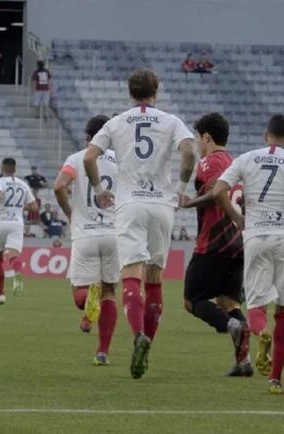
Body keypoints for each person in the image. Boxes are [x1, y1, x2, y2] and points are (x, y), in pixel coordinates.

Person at [83, 67, 196, 380]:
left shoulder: (116, 122)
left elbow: (89, 157)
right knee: (155, 279)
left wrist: (99, 190)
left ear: (130, 92)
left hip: (130, 203)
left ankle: (138, 336)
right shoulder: (171, 121)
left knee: (130, 275)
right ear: (156, 91)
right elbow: (189, 150)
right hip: (162, 205)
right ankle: (149, 342)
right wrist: (182, 189)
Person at [214, 114, 284, 394]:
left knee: (256, 306)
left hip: (256, 236)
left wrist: (238, 218)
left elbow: (219, 190)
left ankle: (262, 333)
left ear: (265, 135)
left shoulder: (246, 159)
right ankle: (275, 379)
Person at [177, 112, 251, 376]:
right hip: (237, 243)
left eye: (198, 138)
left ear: (206, 136)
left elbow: (213, 193)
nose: (198, 144)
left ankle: (229, 325)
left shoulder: (210, 162)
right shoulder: (235, 162)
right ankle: (243, 362)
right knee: (228, 301)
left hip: (214, 243)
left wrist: (189, 202)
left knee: (191, 300)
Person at [54, 115, 119, 348]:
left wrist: (71, 214)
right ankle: (103, 352)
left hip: (85, 233)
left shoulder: (77, 158)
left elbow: (59, 186)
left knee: (80, 292)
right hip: (114, 233)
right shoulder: (120, 160)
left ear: (87, 137)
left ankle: (89, 299)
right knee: (109, 292)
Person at [0, 158, 38, 305]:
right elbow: (34, 207)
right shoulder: (23, 185)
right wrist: (20, 208)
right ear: (15, 169)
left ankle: (1, 295)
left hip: (0, 222)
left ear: (2, 168)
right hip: (16, 223)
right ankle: (17, 272)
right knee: (13, 256)